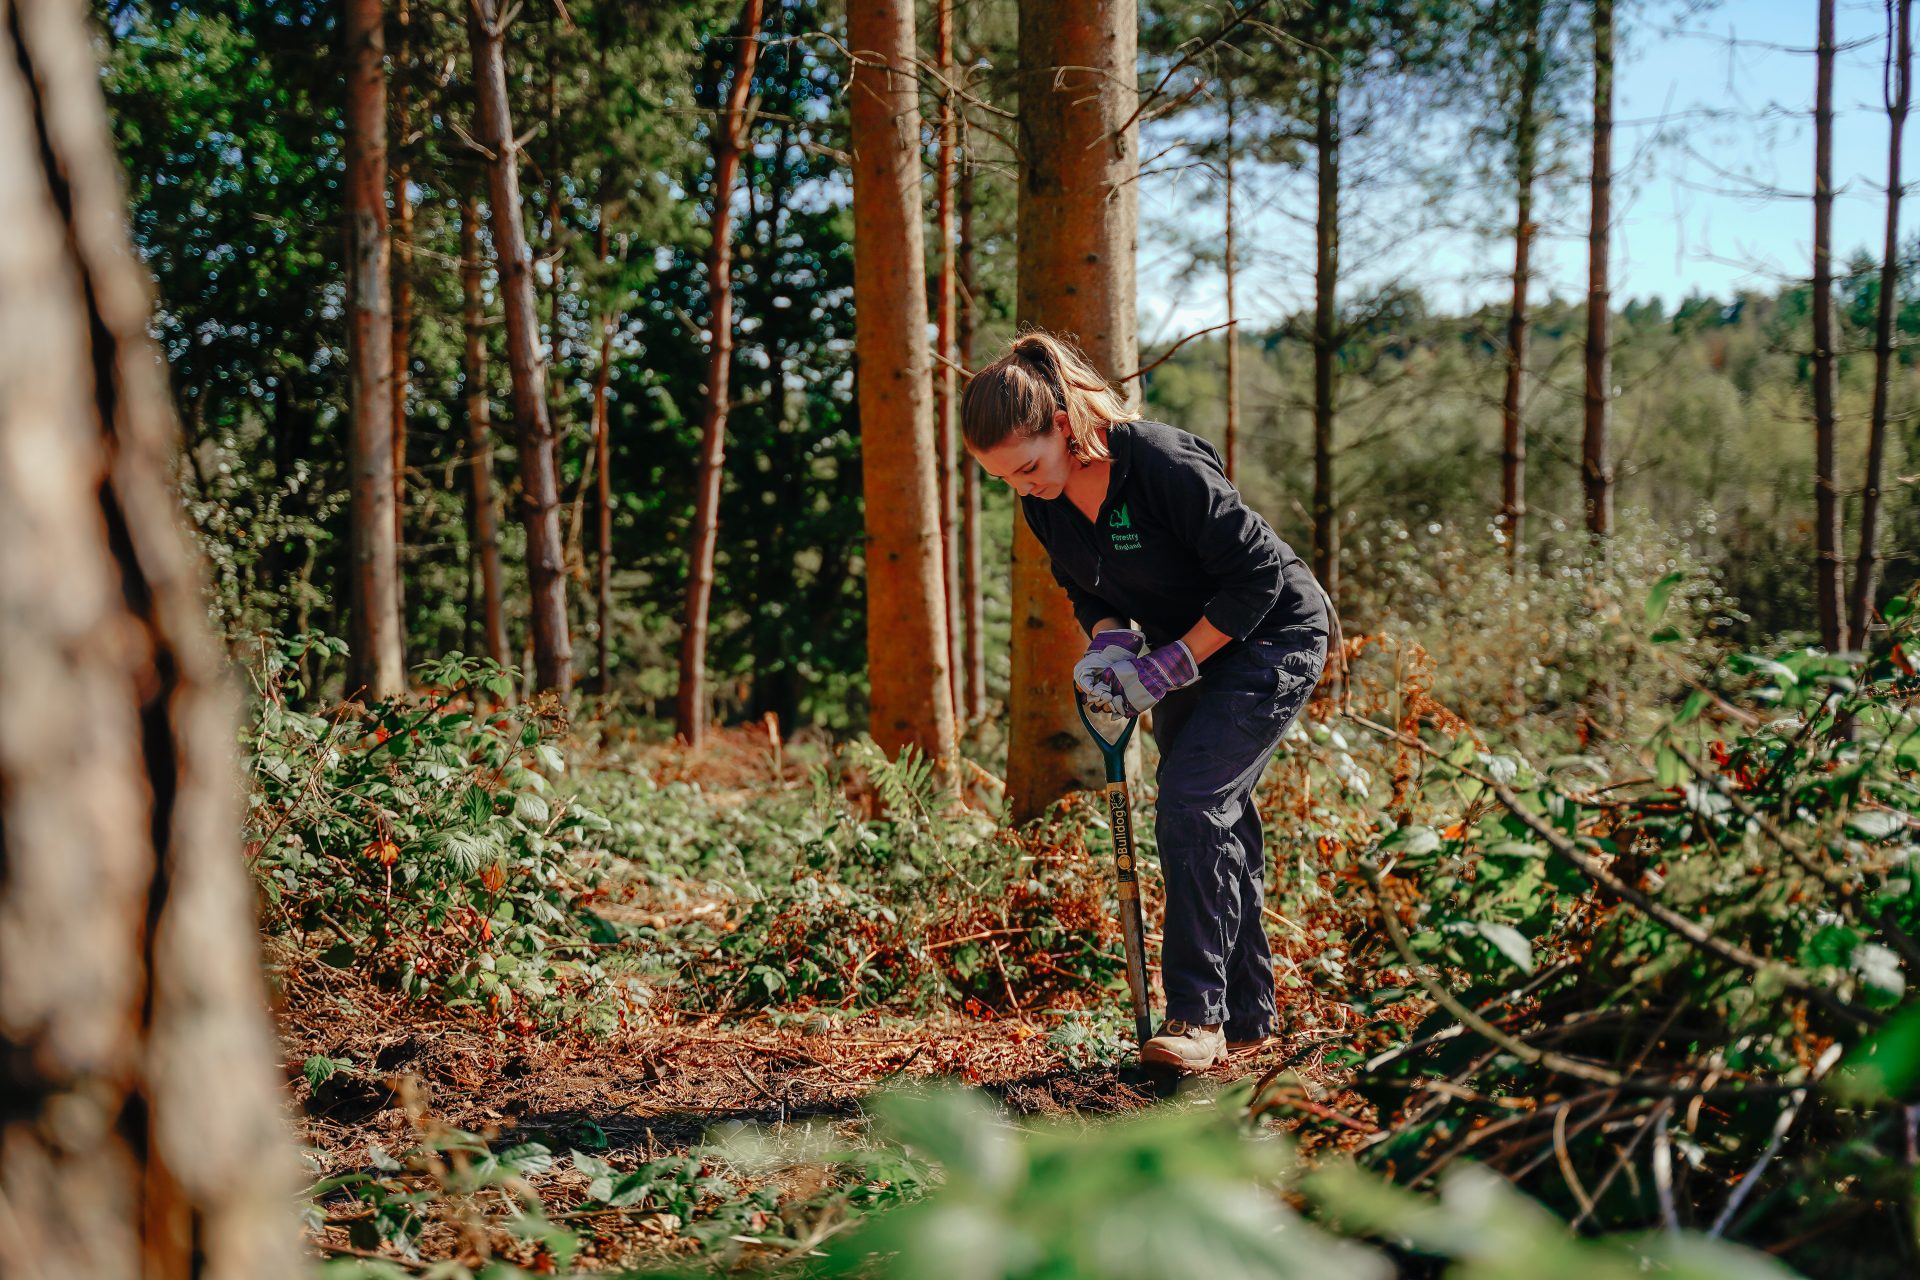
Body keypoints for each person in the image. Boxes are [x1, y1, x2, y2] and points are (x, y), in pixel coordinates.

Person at [960, 330, 1330, 1072]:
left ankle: (1197, 1017)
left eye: (1029, 467)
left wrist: (1174, 663)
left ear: (1064, 424)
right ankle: (1252, 1022)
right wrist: (1110, 644)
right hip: (1181, 654)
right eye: (1006, 479)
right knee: (1216, 821)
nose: (1024, 487)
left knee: (1192, 803)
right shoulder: (1048, 503)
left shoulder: (1159, 462)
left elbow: (1257, 578)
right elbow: (1086, 589)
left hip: (1271, 637)